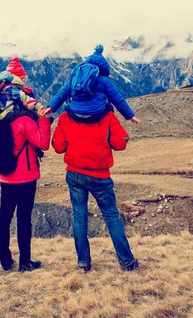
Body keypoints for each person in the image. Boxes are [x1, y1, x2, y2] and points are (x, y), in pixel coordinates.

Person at [52, 109, 138, 272]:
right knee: (111, 215)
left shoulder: (65, 117)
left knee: (79, 215)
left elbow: (58, 146)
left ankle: (84, 262)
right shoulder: (107, 116)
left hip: (75, 173)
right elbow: (120, 143)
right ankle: (127, 262)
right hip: (100, 175)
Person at [0, 58, 51, 273]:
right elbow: (43, 143)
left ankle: (5, 260)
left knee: (4, 216)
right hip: (25, 176)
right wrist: (43, 119)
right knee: (23, 219)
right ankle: (25, 262)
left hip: (5, 175)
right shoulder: (24, 121)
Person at [44, 44, 140, 124]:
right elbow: (118, 99)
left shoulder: (76, 77)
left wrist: (51, 107)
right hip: (97, 114)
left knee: (67, 107)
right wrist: (130, 115)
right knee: (109, 107)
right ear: (104, 67)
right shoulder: (105, 80)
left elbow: (62, 92)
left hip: (75, 113)